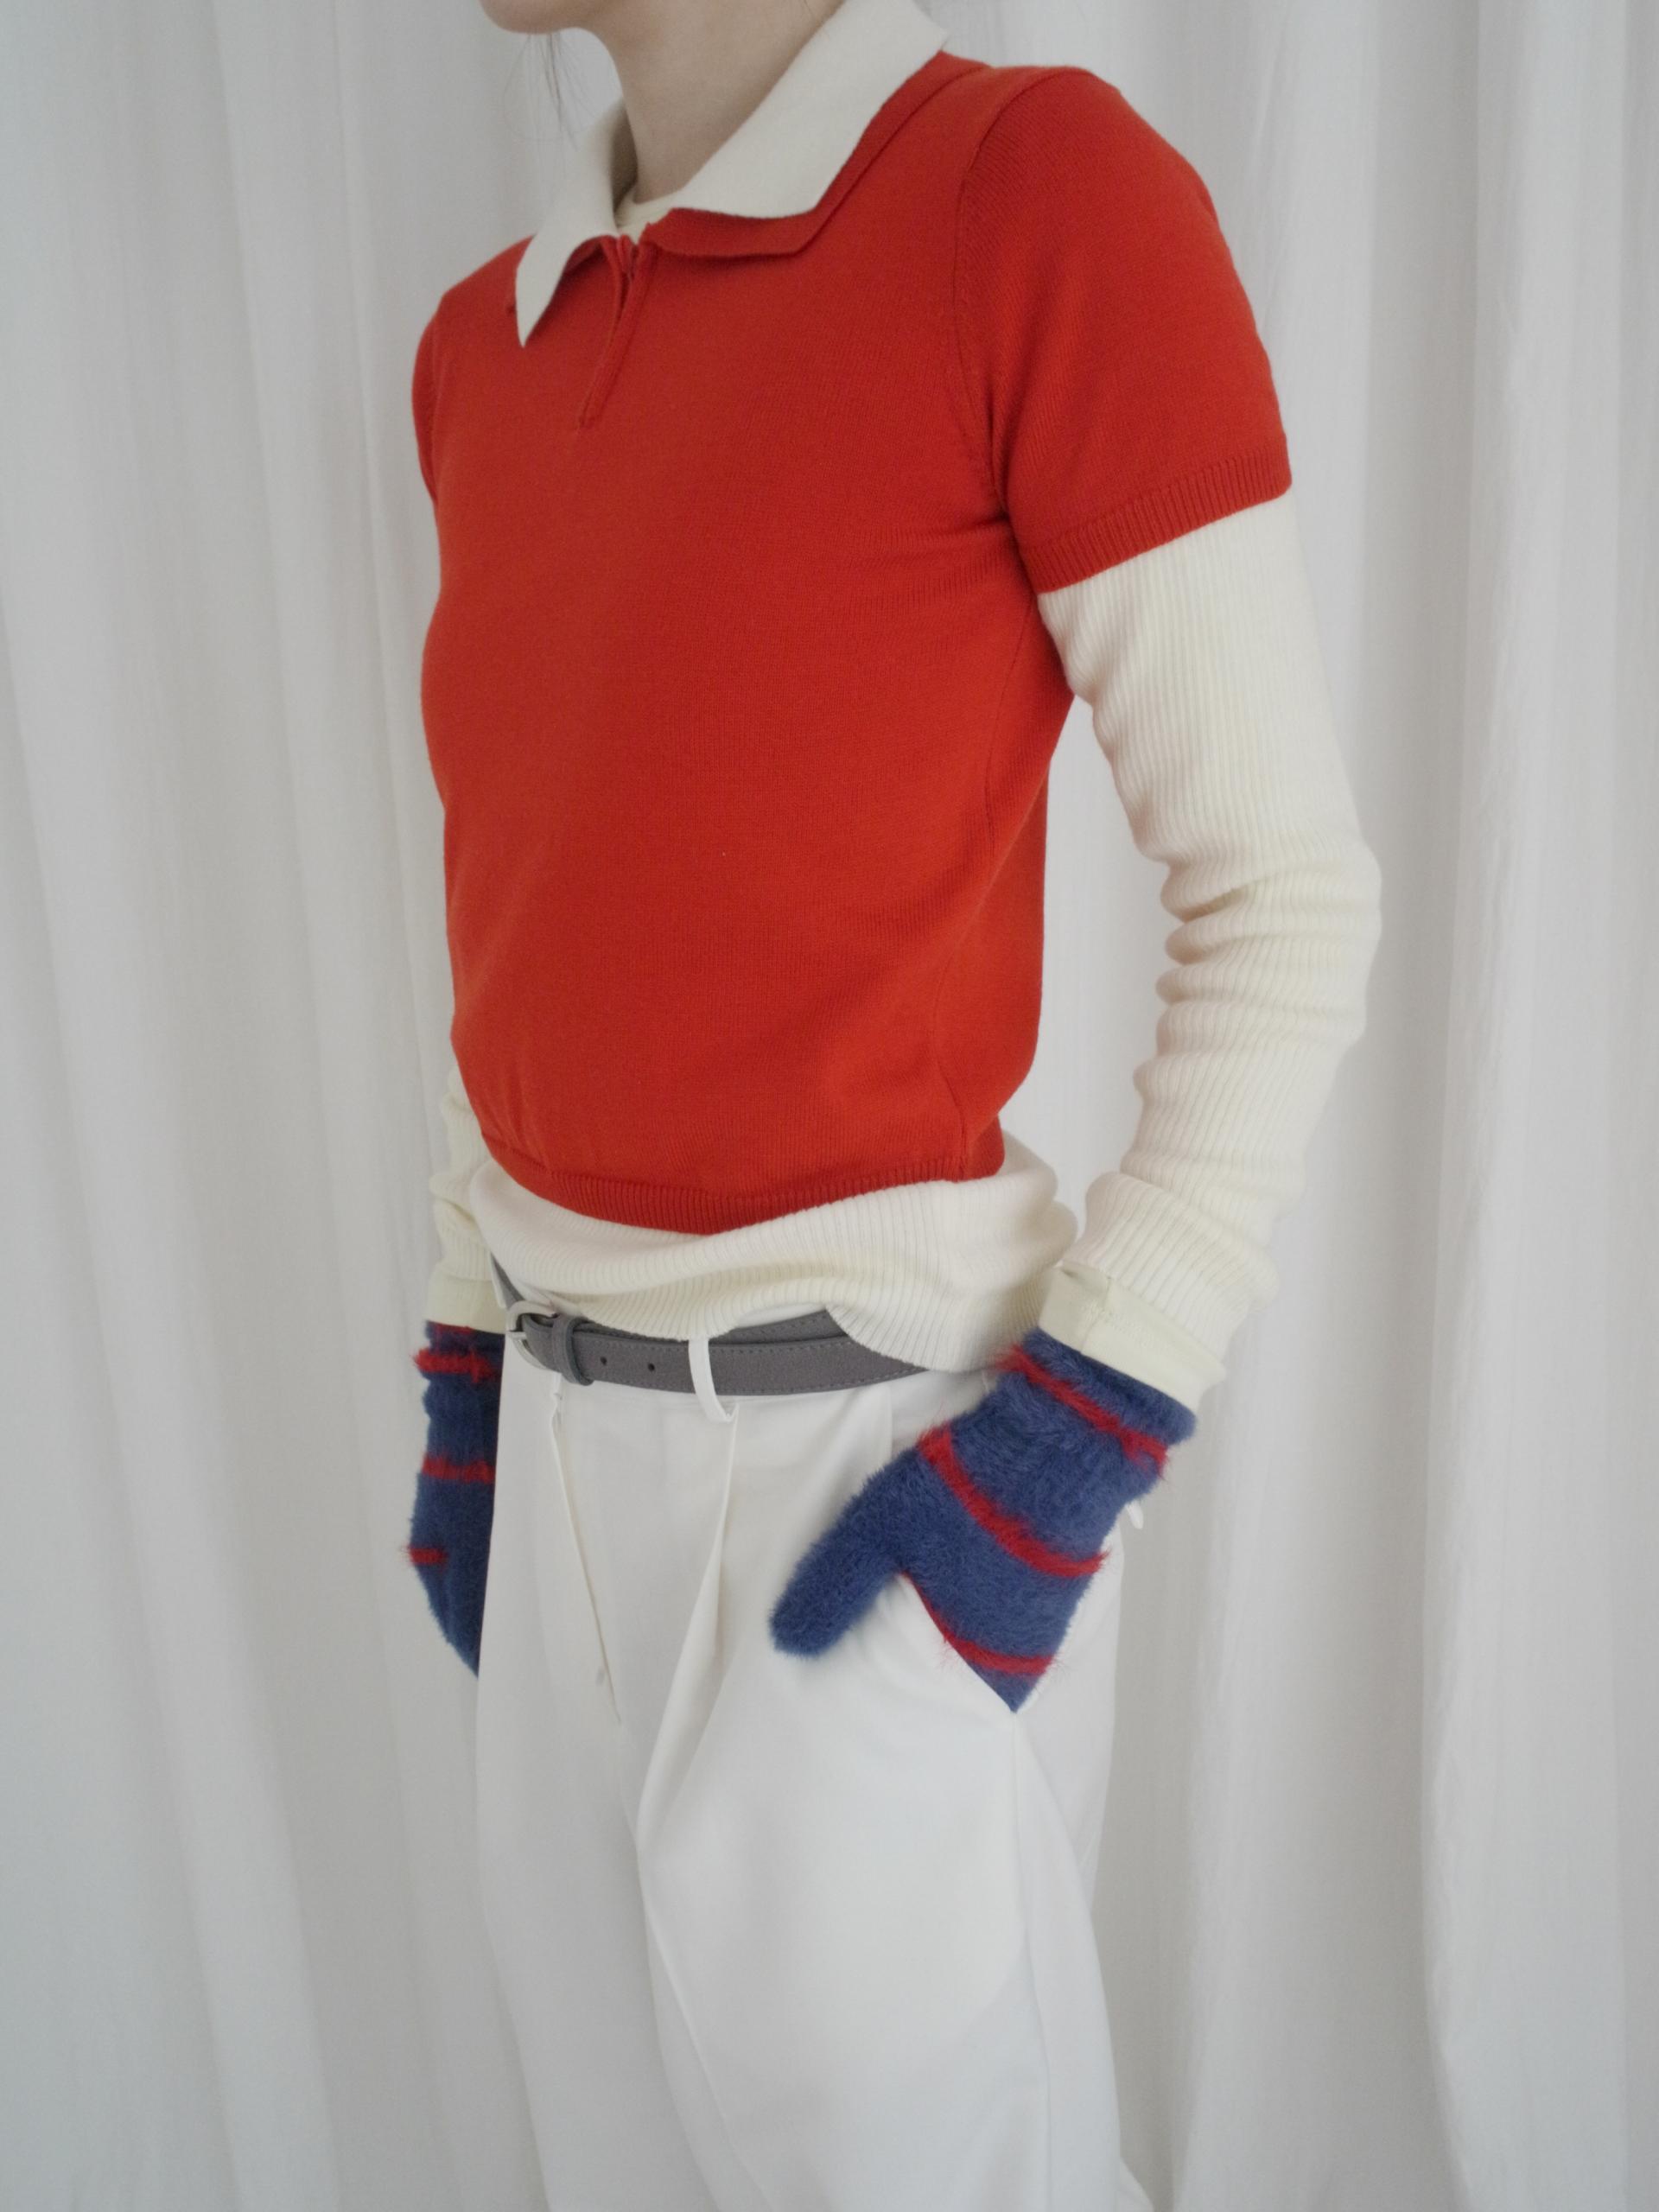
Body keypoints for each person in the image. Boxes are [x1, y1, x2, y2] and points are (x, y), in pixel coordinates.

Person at [403, 0, 1383, 2204]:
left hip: (865, 1480)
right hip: (552, 1467)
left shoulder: (1030, 199)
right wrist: (469, 1381)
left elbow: (1282, 895)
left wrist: (1075, 1440)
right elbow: (522, 917)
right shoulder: (485, 347)